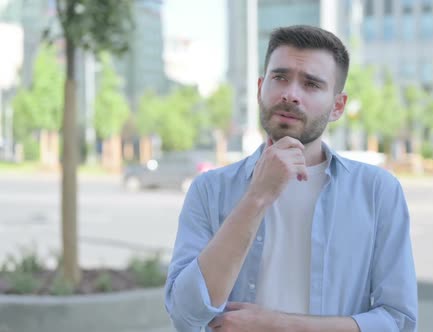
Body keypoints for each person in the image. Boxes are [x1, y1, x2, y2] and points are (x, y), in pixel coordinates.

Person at [165, 25, 417, 332]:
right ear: (260, 87)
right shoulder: (209, 189)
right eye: (280, 77)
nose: (290, 94)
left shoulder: (378, 191)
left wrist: (278, 325)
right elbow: (186, 315)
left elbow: (398, 320)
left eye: (311, 84)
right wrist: (256, 197)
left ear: (337, 106)